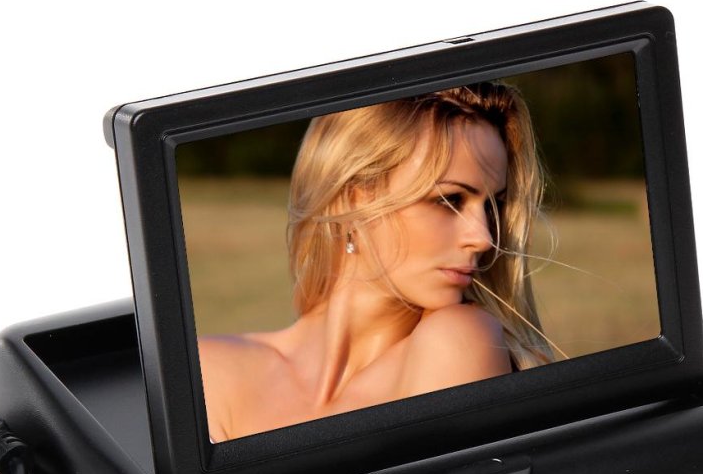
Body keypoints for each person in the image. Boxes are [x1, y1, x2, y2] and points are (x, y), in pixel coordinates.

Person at [199, 83, 558, 443]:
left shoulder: (460, 339)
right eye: (449, 200)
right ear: (354, 197)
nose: (483, 238)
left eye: (493, 205)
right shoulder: (210, 371)